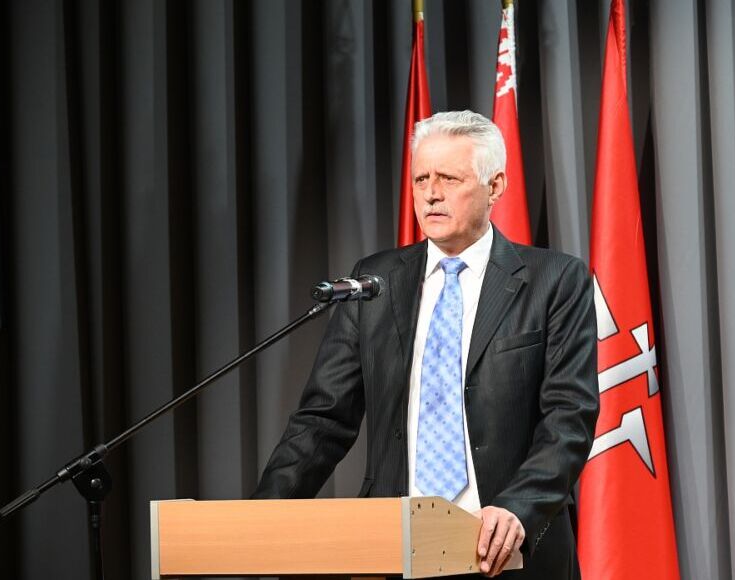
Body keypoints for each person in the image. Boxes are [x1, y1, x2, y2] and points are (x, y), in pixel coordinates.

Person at [252, 110, 599, 579]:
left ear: (495, 186)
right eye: (421, 179)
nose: (431, 193)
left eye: (449, 179)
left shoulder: (554, 280)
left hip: (504, 550)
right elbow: (322, 421)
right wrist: (259, 521)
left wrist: (517, 508)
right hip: (394, 550)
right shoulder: (374, 282)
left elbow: (569, 415)